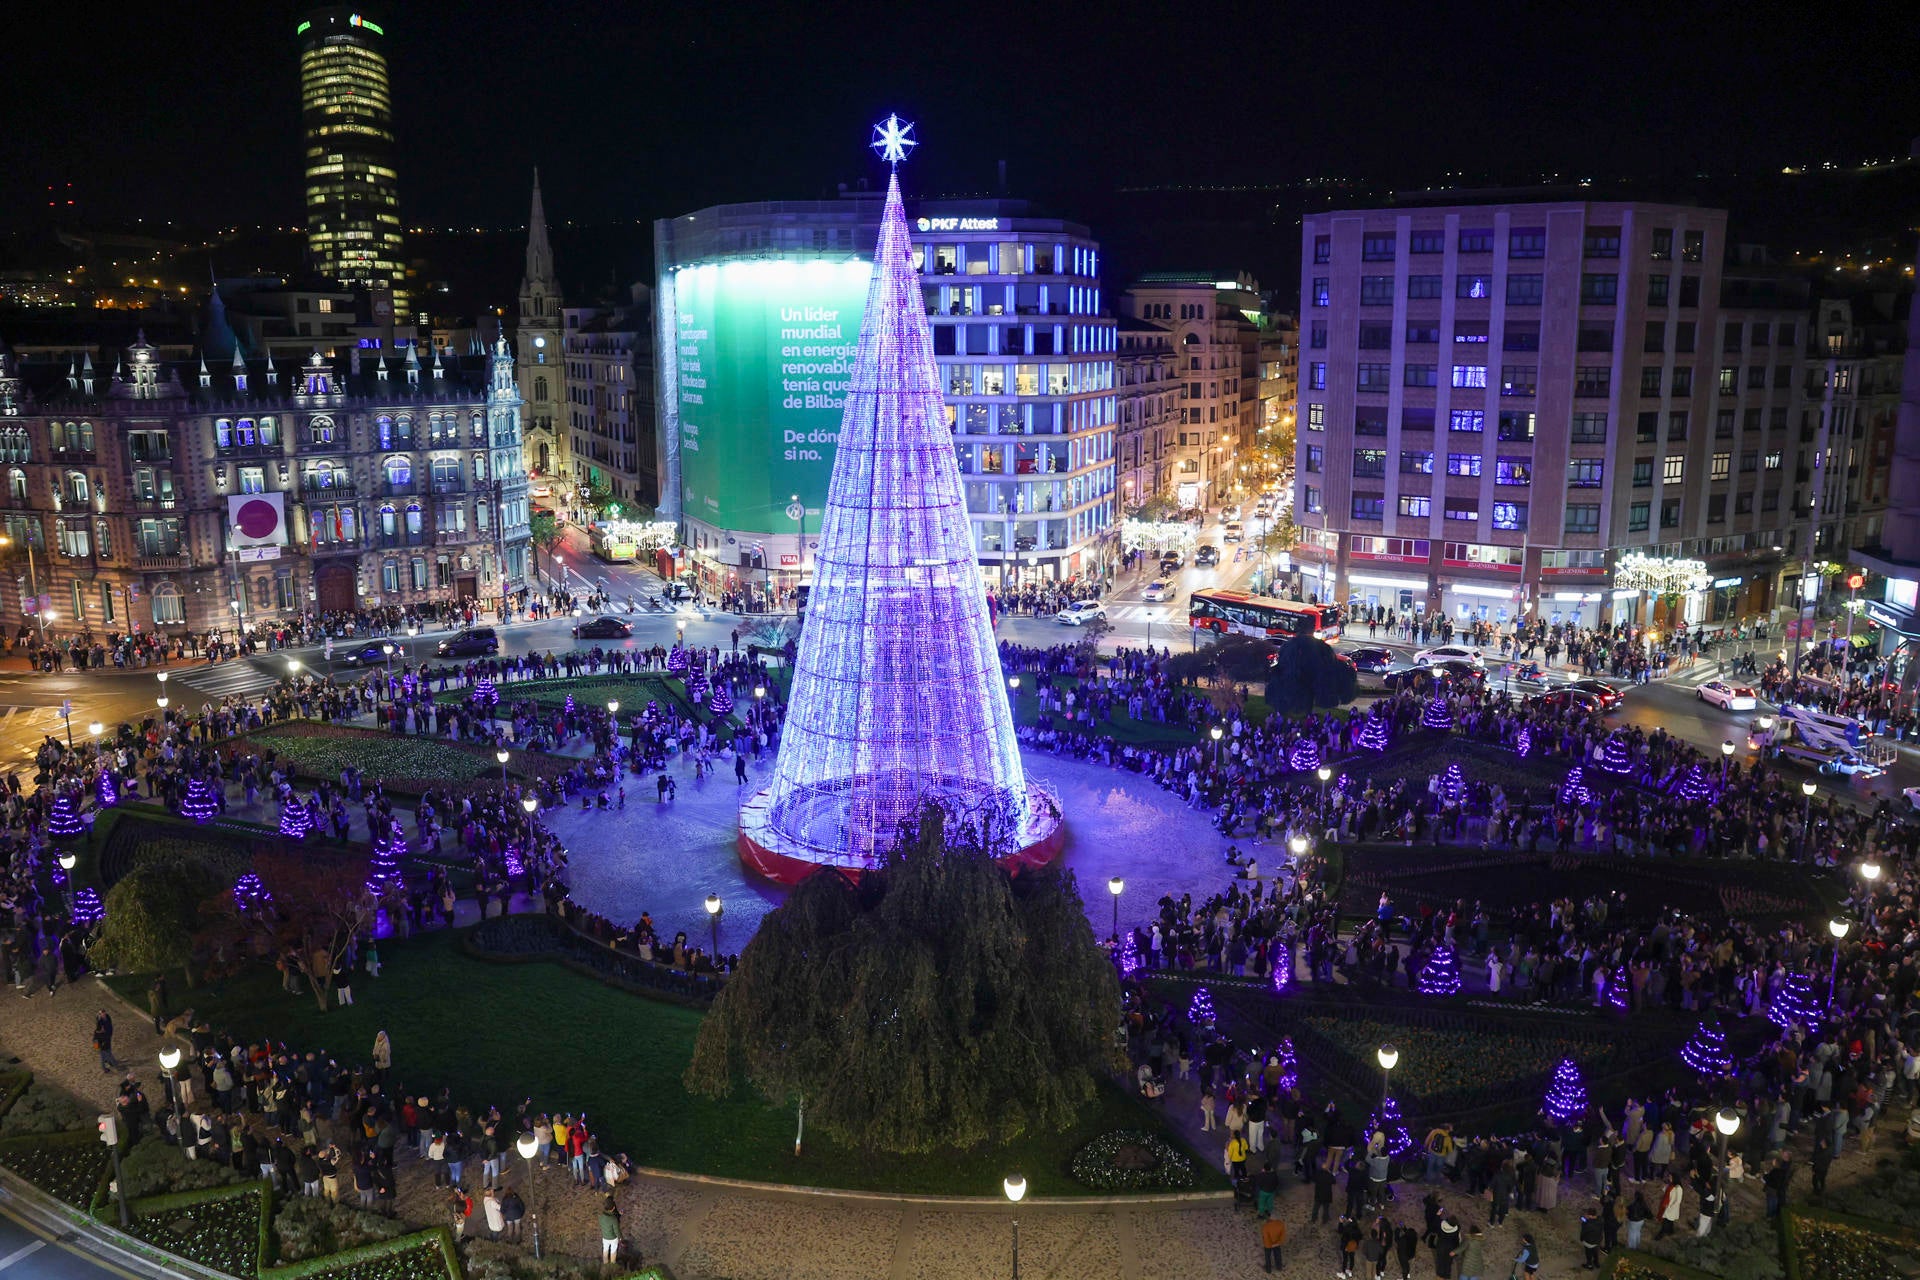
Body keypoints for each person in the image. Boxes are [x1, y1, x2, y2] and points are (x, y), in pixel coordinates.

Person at [599, 1195, 622, 1264]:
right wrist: (620, 1238)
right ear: (613, 1208)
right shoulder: (613, 1219)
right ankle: (612, 1265)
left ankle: (605, 1263)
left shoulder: (600, 1217)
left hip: (605, 1237)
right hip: (613, 1238)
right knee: (613, 1251)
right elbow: (617, 1231)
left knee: (605, 1250)